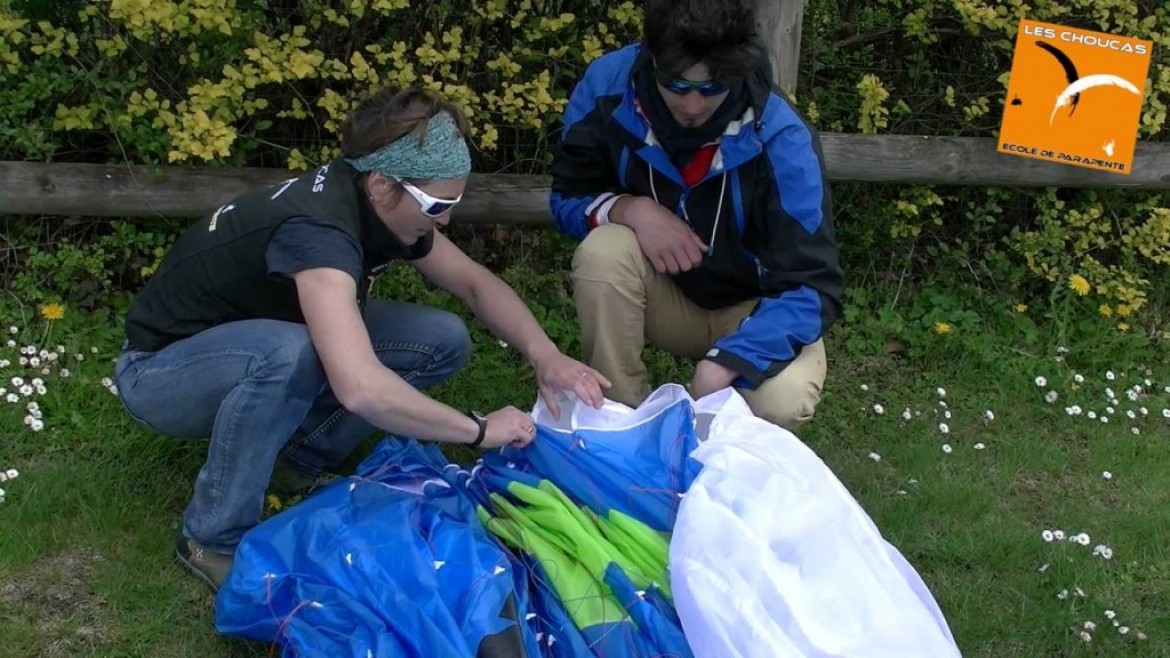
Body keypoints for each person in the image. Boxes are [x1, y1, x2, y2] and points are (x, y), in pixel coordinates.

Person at [113, 85, 611, 592]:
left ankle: (295, 461)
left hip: (249, 342)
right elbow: (361, 388)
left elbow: (473, 283)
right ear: (380, 185)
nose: (448, 217)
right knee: (289, 355)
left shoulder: (376, 196)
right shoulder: (318, 232)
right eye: (439, 203)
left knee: (440, 337)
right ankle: (211, 537)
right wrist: (480, 430)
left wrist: (544, 353)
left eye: (455, 200)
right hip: (160, 374)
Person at [548, 0, 844, 431]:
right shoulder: (606, 86)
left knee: (782, 399)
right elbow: (567, 198)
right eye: (675, 85)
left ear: (738, 70)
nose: (690, 105)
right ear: (651, 61)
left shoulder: (782, 133)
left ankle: (722, 455)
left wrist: (733, 359)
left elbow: (814, 284)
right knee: (603, 251)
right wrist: (631, 209)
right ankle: (620, 424)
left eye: (712, 88)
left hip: (753, 308)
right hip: (662, 293)